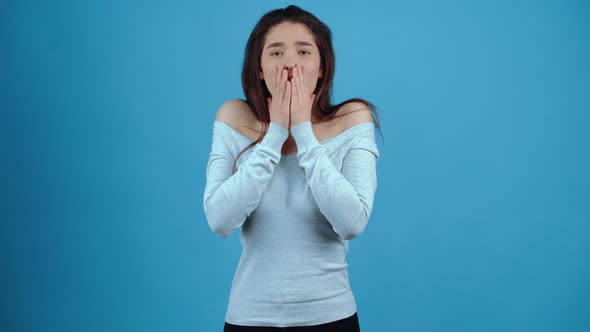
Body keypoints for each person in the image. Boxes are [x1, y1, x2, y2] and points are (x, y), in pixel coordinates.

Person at [203, 5, 382, 332]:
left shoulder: (353, 118)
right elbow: (220, 221)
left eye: (303, 51)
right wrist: (274, 135)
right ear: (259, 68)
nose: (290, 63)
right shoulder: (233, 117)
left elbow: (352, 222)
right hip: (248, 317)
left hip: (331, 317)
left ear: (321, 67)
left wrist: (302, 129)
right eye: (276, 52)